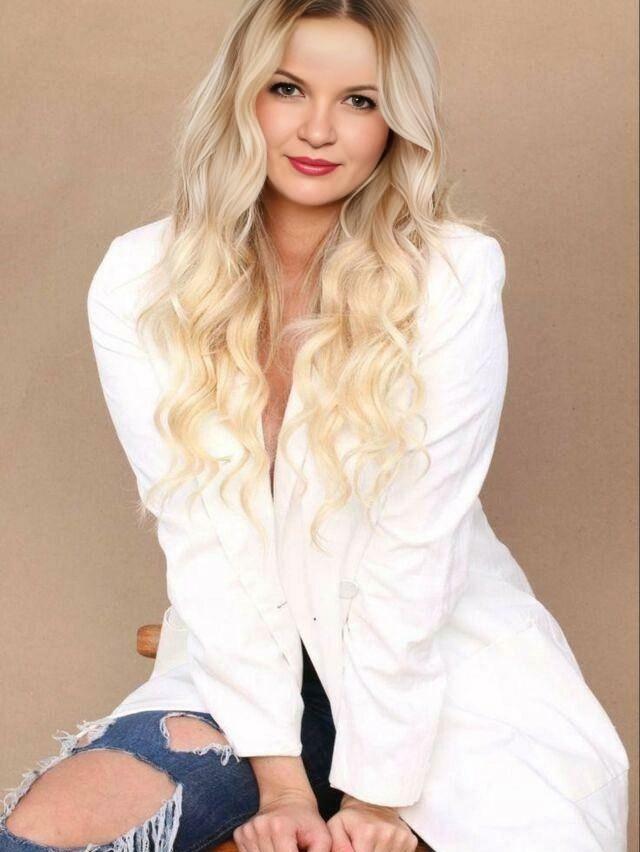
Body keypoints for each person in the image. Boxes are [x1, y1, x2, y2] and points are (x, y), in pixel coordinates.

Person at [0, 1, 630, 851]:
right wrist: (282, 783)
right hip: (235, 675)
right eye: (288, 88)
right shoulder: (141, 279)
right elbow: (203, 537)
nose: (320, 130)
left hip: (436, 679)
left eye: (360, 101)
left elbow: (416, 549)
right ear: (240, 96)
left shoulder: (451, 274)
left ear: (395, 126)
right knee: (44, 831)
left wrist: (377, 796)